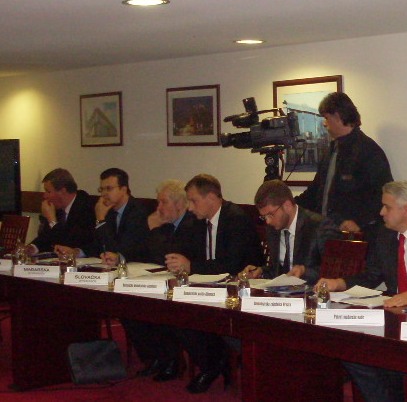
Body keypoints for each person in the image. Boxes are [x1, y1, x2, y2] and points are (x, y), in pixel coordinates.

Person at [316, 181, 407, 402]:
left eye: (387, 207)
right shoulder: (385, 235)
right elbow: (372, 276)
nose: (381, 212)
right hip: (394, 320)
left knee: (388, 364)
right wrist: (339, 283)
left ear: (406, 210)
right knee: (351, 353)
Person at [164, 174, 264, 394]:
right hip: (210, 287)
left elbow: (232, 265)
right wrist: (179, 262)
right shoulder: (198, 221)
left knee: (194, 315)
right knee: (175, 312)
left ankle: (214, 365)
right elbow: (182, 250)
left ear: (211, 197)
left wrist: (191, 266)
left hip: (239, 290)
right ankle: (212, 364)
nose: (189, 207)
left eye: (193, 201)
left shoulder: (236, 219)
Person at [104, 179, 201, 381]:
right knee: (128, 308)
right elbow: (141, 249)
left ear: (179, 204)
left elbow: (166, 256)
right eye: (158, 202)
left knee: (157, 309)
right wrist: (120, 257)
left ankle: (172, 360)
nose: (159, 208)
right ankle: (155, 357)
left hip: (185, 285)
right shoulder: (165, 223)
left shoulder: (192, 223)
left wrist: (154, 229)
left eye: (163, 202)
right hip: (161, 281)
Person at [296, 92, 392, 241]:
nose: (324, 123)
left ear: (338, 116)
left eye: (326, 118)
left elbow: (385, 194)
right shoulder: (331, 150)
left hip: (352, 237)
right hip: (324, 233)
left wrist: (359, 222)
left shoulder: (369, 151)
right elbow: (315, 191)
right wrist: (289, 205)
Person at [239, 179, 339, 283]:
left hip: (311, 289)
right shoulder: (273, 229)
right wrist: (261, 272)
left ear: (287, 205)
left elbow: (334, 272)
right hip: (282, 291)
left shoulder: (319, 227)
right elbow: (278, 271)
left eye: (270, 214)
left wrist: (304, 271)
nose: (268, 221)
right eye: (264, 217)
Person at [66, 167, 150, 260]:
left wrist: (100, 220)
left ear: (123, 190)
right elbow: (98, 245)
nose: (103, 194)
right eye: (102, 189)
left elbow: (116, 249)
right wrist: (77, 252)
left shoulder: (137, 211)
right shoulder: (108, 209)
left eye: (109, 188)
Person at [27, 168, 96, 255]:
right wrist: (32, 247)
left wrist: (52, 220)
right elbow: (46, 238)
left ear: (63, 191)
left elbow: (67, 243)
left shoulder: (86, 207)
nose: (45, 196)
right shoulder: (57, 208)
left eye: (48, 191)